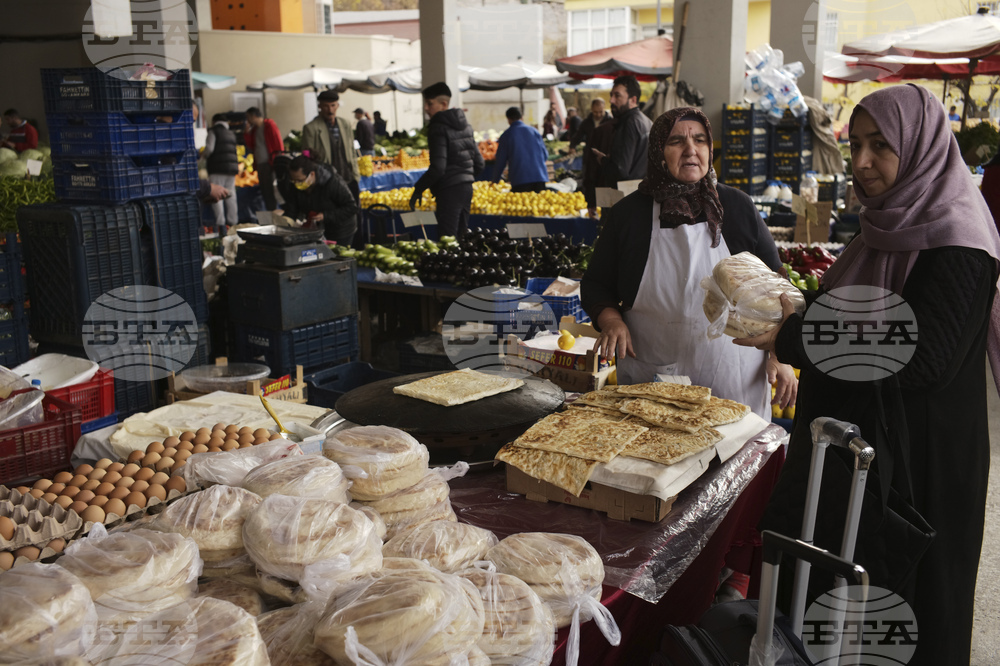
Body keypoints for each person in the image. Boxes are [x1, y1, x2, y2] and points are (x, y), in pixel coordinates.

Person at [736, 84, 1000, 665]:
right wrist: (791, 311)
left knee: (908, 616)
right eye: (854, 144)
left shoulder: (958, 241)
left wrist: (797, 338)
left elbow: (920, 356)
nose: (861, 161)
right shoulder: (880, 229)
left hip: (920, 473)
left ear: (922, 145)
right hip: (863, 460)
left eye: (881, 145)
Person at [581, 107, 796, 418]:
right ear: (658, 151)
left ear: (710, 149)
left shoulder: (737, 207)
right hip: (653, 379)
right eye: (676, 141)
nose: (690, 149)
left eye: (700, 140)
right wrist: (611, 321)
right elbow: (596, 283)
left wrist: (780, 354)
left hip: (734, 376)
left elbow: (778, 290)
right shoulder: (629, 214)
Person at [409, 82, 484, 236]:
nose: (426, 108)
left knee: (447, 240)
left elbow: (438, 168)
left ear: (443, 104)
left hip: (448, 191)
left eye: (430, 103)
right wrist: (464, 178)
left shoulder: (438, 127)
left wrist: (419, 188)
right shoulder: (466, 126)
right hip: (466, 189)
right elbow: (479, 164)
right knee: (462, 238)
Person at [302, 90, 361, 244]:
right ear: (320, 106)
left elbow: (351, 151)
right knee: (333, 221)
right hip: (328, 183)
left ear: (337, 106)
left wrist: (356, 175)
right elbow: (308, 159)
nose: (330, 110)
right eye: (326, 106)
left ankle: (354, 248)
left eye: (333, 105)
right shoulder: (311, 128)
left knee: (353, 215)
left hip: (348, 177)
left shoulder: (345, 124)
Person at [283, 155, 358, 248]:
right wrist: (287, 221)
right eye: (293, 180)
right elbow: (292, 208)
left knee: (336, 253)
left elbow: (352, 207)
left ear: (312, 174)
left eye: (300, 180)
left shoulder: (333, 182)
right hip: (318, 229)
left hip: (341, 229)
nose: (296, 184)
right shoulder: (295, 186)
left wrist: (326, 216)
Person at [594, 75, 653, 186]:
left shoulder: (629, 123)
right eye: (611, 95)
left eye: (617, 96)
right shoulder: (647, 121)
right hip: (642, 189)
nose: (611, 100)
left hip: (628, 192)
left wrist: (603, 160)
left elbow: (620, 171)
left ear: (633, 100)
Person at [570, 98, 614, 214]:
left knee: (604, 185)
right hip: (590, 159)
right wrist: (572, 146)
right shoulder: (587, 122)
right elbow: (577, 135)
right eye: (595, 112)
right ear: (591, 110)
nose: (598, 114)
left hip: (605, 158)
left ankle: (604, 212)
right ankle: (592, 210)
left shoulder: (611, 121)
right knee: (590, 184)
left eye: (600, 112)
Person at [493, 106, 549, 193]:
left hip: (520, 179)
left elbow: (500, 161)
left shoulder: (507, 135)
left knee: (522, 201)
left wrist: (495, 181)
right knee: (539, 201)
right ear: (522, 117)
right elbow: (545, 155)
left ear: (508, 119)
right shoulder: (534, 131)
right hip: (539, 178)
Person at [203, 113, 239, 229]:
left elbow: (209, 148)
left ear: (214, 121)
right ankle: (233, 223)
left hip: (217, 168)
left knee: (217, 195)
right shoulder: (231, 133)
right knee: (231, 195)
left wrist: (203, 156)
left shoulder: (213, 131)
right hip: (231, 169)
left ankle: (221, 224)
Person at [244, 107, 284, 211]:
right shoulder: (255, 130)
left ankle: (275, 211)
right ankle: (270, 211)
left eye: (248, 117)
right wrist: (247, 133)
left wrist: (277, 160)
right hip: (260, 163)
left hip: (269, 163)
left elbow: (278, 142)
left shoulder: (269, 125)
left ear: (254, 116)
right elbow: (251, 145)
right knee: (265, 190)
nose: (248, 120)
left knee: (271, 189)